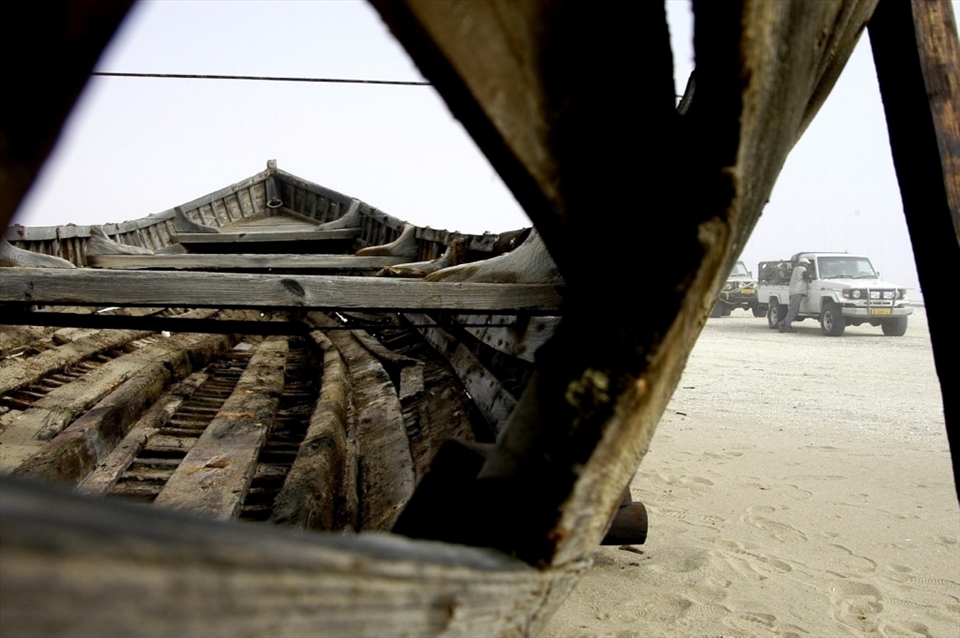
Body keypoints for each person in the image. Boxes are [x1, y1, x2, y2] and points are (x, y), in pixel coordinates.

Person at [778, 258, 810, 332]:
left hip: (793, 291)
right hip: (797, 291)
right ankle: (786, 326)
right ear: (803, 263)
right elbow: (806, 278)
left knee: (792, 310)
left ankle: (782, 323)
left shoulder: (796, 269)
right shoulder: (803, 269)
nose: (807, 265)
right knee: (793, 311)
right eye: (806, 264)